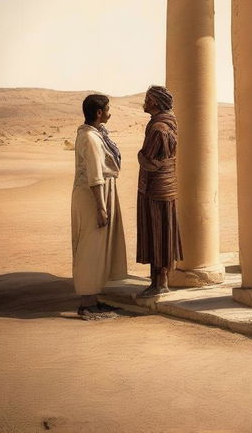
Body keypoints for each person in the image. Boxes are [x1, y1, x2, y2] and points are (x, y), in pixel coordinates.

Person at [71, 94, 127, 319]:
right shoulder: (91, 139)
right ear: (98, 113)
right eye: (108, 109)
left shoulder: (94, 135)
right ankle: (86, 304)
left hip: (99, 193)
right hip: (94, 196)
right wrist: (101, 208)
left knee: (97, 247)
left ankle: (93, 300)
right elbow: (95, 176)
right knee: (90, 248)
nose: (110, 113)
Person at [136, 85, 182, 296]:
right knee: (161, 232)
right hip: (162, 187)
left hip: (155, 188)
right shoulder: (165, 124)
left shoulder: (158, 129)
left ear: (154, 102)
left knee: (158, 233)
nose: (144, 103)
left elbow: (150, 161)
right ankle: (157, 281)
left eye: (147, 99)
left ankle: (160, 283)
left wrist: (140, 156)